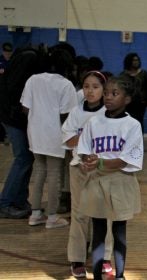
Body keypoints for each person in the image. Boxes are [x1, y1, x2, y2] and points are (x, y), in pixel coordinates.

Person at [77, 75, 143, 280]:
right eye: (106, 93)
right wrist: (87, 159)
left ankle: (120, 274)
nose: (108, 97)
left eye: (115, 94)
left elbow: (125, 160)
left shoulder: (132, 125)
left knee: (119, 230)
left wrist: (100, 162)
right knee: (97, 230)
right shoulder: (93, 121)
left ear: (127, 99)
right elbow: (84, 149)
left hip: (121, 180)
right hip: (97, 180)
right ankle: (97, 275)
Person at [62, 71, 115, 278]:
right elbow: (68, 140)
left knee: (105, 215)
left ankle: (104, 257)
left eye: (95, 87)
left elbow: (112, 142)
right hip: (79, 169)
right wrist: (86, 138)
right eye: (86, 86)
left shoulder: (110, 114)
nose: (90, 91)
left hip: (102, 169)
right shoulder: (76, 112)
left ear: (104, 90)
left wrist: (82, 137)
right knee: (79, 214)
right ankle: (76, 258)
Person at [21, 49, 77, 229]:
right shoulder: (66, 85)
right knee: (54, 174)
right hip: (55, 135)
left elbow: (25, 108)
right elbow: (67, 114)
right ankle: (52, 217)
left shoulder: (33, 79)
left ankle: (35, 214)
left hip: (35, 133)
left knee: (39, 172)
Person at [0, 44, 48, 219]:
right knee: (23, 158)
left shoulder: (25, 56)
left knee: (26, 158)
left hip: (11, 116)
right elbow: (16, 90)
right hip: (13, 118)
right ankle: (5, 203)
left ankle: (19, 200)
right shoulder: (31, 59)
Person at [120, 52, 147, 132]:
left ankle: (138, 141)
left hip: (140, 104)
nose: (136, 62)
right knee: (126, 122)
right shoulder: (122, 76)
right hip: (126, 104)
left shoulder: (144, 74)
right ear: (129, 61)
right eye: (134, 60)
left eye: (137, 60)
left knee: (139, 122)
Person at [0, 42, 13, 144]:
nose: (7, 54)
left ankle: (7, 136)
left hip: (9, 93)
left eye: (9, 52)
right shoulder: (0, 60)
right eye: (5, 52)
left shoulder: (14, 61)